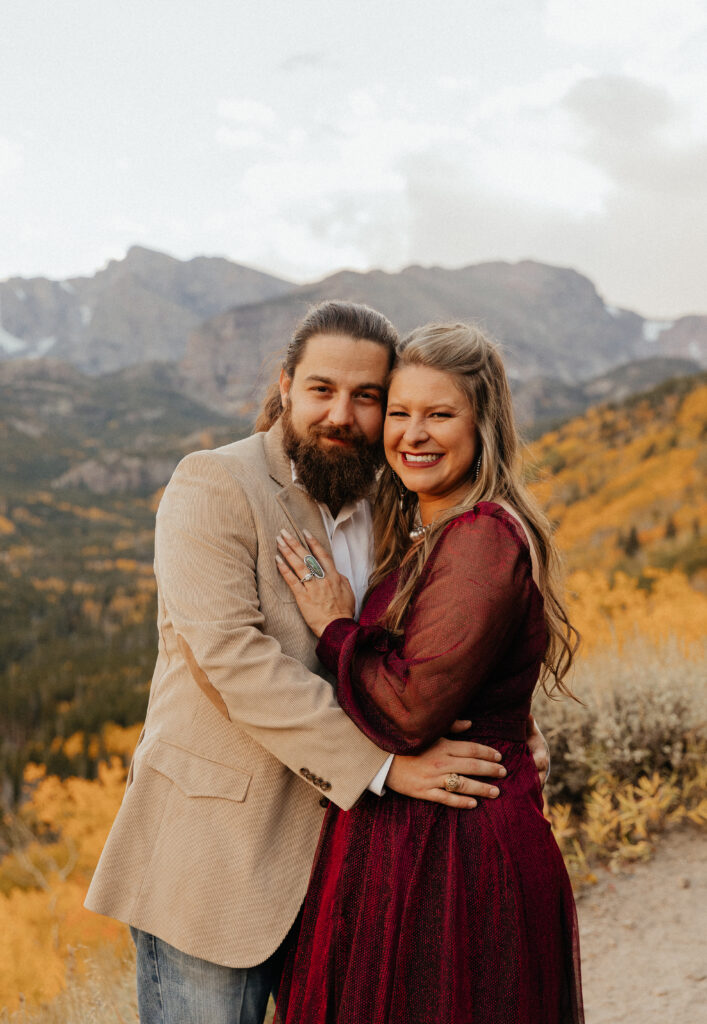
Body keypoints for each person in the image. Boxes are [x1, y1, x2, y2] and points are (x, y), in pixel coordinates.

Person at [85, 302, 550, 1024]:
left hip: (348, 867)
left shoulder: (392, 499)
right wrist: (388, 767)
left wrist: (507, 730)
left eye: (368, 398)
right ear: (285, 386)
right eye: (322, 390)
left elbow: (432, 644)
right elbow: (233, 663)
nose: (343, 414)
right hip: (218, 860)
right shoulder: (215, 484)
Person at [274, 321, 584, 1024]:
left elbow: (409, 709)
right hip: (419, 845)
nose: (412, 434)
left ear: (484, 426)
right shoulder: (430, 527)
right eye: (400, 413)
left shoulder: (479, 536)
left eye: (439, 415)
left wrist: (334, 625)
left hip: (457, 858)